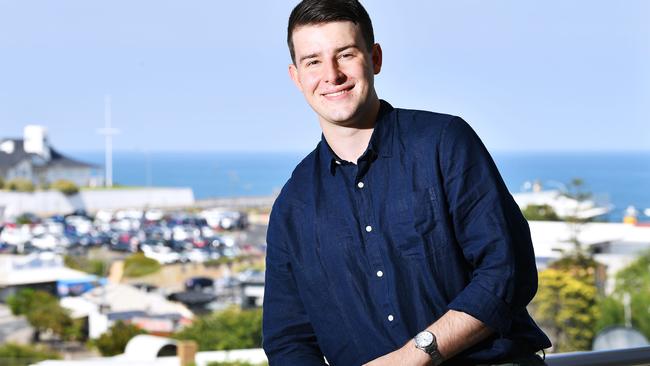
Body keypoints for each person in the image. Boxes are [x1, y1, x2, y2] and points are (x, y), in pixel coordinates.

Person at [262, 0, 551, 365]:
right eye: (313, 61)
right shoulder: (294, 204)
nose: (331, 75)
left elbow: (506, 271)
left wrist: (414, 356)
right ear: (296, 76)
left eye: (345, 54)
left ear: (375, 58)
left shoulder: (443, 143)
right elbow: (288, 341)